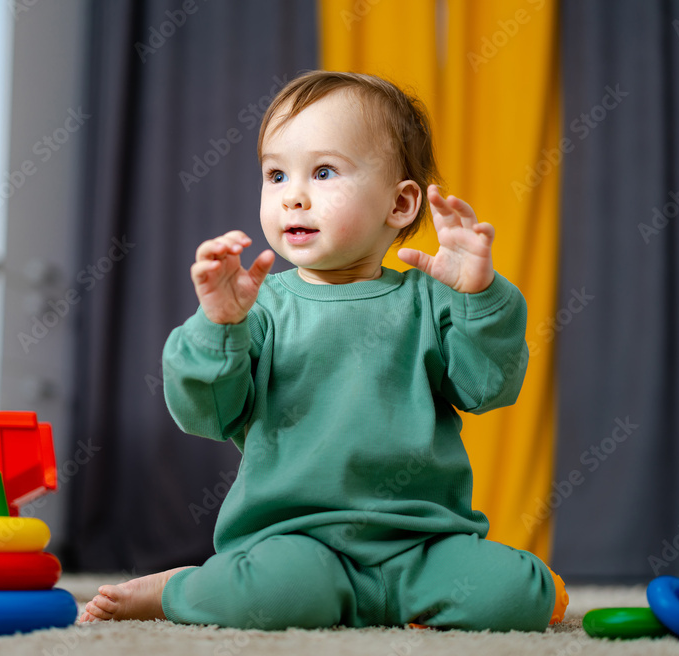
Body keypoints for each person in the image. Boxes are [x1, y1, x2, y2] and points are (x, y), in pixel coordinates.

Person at [81, 70, 566, 630]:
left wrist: (481, 297)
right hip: (297, 545)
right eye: (276, 174)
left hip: (424, 545)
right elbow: (205, 414)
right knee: (263, 596)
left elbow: (488, 389)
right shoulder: (258, 308)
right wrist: (218, 325)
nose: (294, 195)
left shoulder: (432, 300)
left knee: (518, 595)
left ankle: (421, 598)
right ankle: (181, 586)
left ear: (401, 203)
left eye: (325, 171)